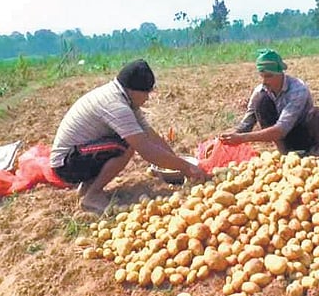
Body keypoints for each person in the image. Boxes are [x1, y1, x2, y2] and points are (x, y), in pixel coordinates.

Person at [50, 59, 208, 213]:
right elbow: (146, 150)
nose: (147, 98)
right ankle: (93, 195)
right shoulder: (116, 105)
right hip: (66, 165)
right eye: (146, 93)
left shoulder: (124, 97)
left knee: (128, 139)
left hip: (79, 155)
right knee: (126, 145)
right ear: (133, 90)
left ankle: (87, 188)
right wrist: (185, 167)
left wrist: (177, 163)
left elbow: (150, 134)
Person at [219, 49, 319, 155]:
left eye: (269, 76)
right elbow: (246, 124)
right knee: (261, 101)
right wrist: (224, 139)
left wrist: (243, 138)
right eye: (263, 76)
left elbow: (281, 129)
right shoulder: (260, 91)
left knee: (316, 114)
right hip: (282, 138)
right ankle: (283, 151)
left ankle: (313, 150)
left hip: (301, 134)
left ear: (280, 73)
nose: (265, 81)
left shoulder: (298, 89)